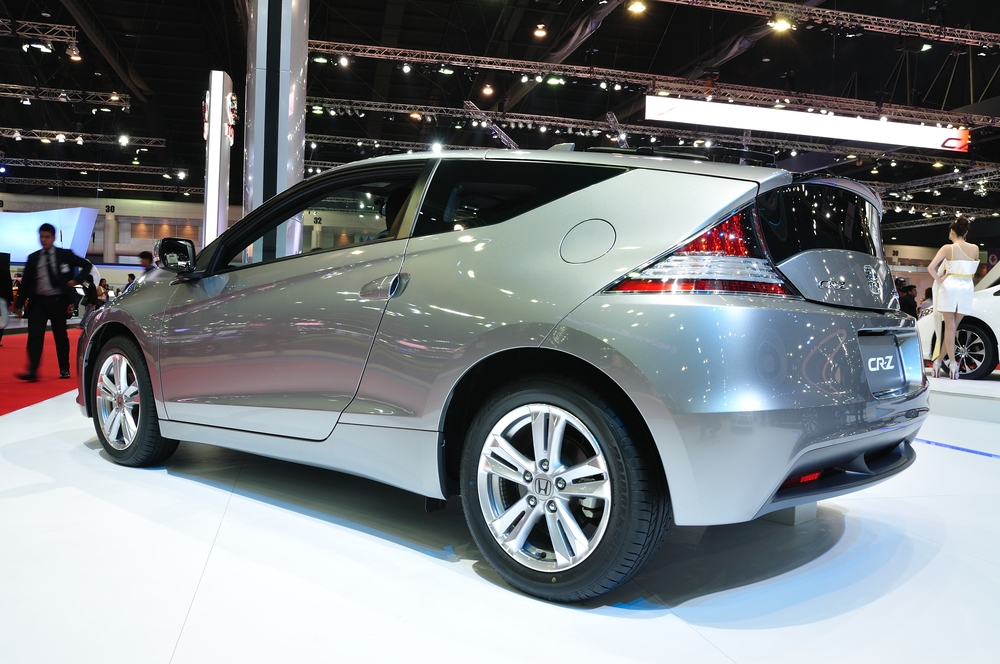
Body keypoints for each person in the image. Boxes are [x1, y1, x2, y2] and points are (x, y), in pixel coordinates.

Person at [13, 223, 93, 381]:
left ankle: (64, 369)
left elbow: (86, 265)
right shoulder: (33, 258)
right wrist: (18, 305)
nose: (44, 240)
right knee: (35, 336)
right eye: (41, 236)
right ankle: (33, 371)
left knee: (60, 336)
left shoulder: (65, 255)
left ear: (54, 238)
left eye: (47, 237)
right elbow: (26, 283)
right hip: (38, 303)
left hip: (58, 301)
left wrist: (75, 280)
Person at [927, 216, 980, 379]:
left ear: (952, 231)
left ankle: (951, 364)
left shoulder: (947, 248)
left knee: (950, 328)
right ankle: (939, 362)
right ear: (966, 232)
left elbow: (931, 268)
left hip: (950, 286)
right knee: (953, 328)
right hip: (966, 287)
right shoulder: (975, 248)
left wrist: (939, 279)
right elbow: (972, 273)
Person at [0, 252, 13, 347]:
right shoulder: (4, 271)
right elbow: (8, 286)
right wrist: (10, 299)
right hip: (2, 298)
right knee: (2, 320)